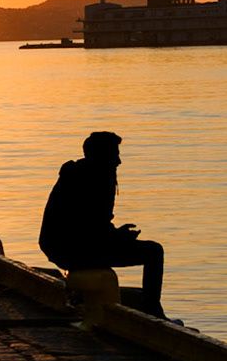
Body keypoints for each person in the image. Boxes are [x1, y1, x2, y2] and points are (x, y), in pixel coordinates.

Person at [39, 131, 165, 317]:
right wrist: (119, 237)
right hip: (75, 250)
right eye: (115, 155)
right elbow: (88, 230)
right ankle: (154, 313)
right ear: (102, 156)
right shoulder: (95, 178)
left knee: (146, 252)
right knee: (154, 252)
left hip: (61, 246)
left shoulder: (78, 173)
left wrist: (117, 234)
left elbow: (91, 224)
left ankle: (149, 306)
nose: (119, 161)